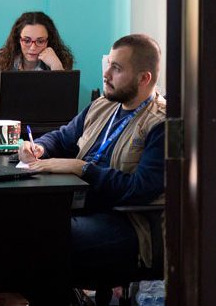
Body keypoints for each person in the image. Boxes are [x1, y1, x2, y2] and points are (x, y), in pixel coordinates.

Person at [18, 34, 165, 288]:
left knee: (43, 239)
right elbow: (63, 138)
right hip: (83, 207)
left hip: (127, 224)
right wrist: (39, 147)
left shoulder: (161, 124)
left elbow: (140, 189)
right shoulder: (103, 105)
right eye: (108, 64)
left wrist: (82, 168)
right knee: (18, 224)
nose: (106, 74)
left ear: (144, 78)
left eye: (116, 68)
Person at [0, 11, 74, 117]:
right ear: (18, 40)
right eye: (27, 41)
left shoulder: (59, 62)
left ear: (49, 41)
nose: (33, 47)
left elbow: (64, 111)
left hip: (45, 134)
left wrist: (56, 68)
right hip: (3, 132)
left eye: (40, 41)